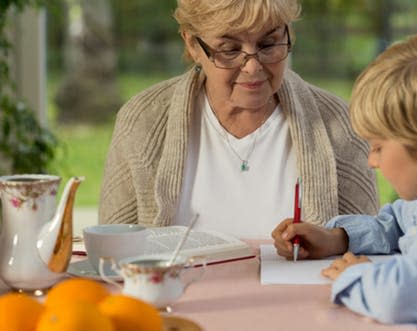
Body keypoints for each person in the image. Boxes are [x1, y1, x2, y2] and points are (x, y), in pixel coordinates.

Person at [99, 0, 378, 238]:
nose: (253, 66)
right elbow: (110, 253)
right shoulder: (143, 120)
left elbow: (368, 246)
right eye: (230, 50)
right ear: (193, 44)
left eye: (268, 44)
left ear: (289, 34)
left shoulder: (337, 123)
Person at [272, 34, 417, 330]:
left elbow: (399, 298)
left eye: (377, 147)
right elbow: (401, 222)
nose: (371, 162)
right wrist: (338, 238)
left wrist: (358, 274)